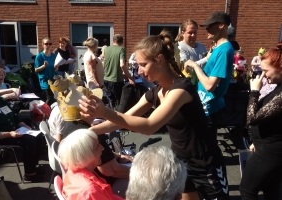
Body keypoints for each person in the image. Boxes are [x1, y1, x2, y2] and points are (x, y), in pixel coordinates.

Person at [79, 30, 229, 200]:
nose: (140, 71)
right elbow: (123, 119)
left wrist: (105, 112)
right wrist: (88, 132)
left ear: (159, 60)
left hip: (205, 162)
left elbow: (150, 126)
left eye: (143, 64)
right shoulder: (156, 92)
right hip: (180, 161)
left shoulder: (181, 89)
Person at [239, 42, 282, 200]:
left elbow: (252, 118)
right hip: (267, 147)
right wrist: (256, 141)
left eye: (266, 71)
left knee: (247, 190)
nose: (263, 76)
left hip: (270, 151)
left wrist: (254, 92)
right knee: (271, 190)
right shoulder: (278, 88)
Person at [0, 73, 44, 182]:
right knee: (29, 141)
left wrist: (23, 125)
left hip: (14, 131)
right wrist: (10, 134)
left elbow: (13, 115)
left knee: (39, 136)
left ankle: (33, 166)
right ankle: (30, 174)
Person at [185, 11, 234, 142]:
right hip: (206, 105)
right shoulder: (218, 48)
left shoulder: (224, 50)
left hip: (210, 108)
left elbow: (209, 86)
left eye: (210, 26)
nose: (206, 29)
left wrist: (195, 66)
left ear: (221, 25)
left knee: (206, 147)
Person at [58, 129, 124, 200]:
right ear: (84, 156)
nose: (102, 148)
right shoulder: (90, 191)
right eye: (97, 147)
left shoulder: (72, 172)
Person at [103, 34, 135, 108]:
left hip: (106, 79)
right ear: (122, 42)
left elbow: (109, 63)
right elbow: (122, 65)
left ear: (112, 41)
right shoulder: (122, 49)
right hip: (116, 81)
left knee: (109, 102)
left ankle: (109, 118)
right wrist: (129, 77)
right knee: (118, 103)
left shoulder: (106, 49)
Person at [179, 19, 209, 86]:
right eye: (190, 33)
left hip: (203, 84)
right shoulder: (179, 47)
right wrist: (206, 59)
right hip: (187, 86)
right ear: (183, 33)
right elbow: (187, 68)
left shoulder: (201, 46)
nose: (193, 35)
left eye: (195, 32)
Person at [34, 37, 56, 106]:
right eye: (46, 44)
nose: (48, 45)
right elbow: (36, 70)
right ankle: (44, 112)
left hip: (53, 80)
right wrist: (44, 66)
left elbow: (55, 68)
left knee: (54, 98)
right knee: (49, 97)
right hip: (44, 80)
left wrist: (56, 68)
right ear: (43, 45)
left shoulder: (54, 56)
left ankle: (51, 113)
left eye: (50, 44)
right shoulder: (39, 56)